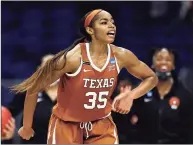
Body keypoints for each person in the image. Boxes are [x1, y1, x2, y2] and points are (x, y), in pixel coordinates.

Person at [11, 9, 158, 144]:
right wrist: (26, 127)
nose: (112, 26)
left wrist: (131, 96)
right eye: (104, 22)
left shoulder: (121, 55)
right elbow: (33, 89)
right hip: (67, 126)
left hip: (101, 124)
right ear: (90, 30)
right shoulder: (72, 58)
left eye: (112, 22)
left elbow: (151, 78)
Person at [132, 48, 193, 143]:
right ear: (152, 64)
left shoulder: (185, 96)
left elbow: (189, 130)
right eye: (159, 59)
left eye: (168, 60)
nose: (163, 63)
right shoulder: (139, 92)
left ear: (173, 65)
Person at [5, 54, 58, 144]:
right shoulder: (28, 91)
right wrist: (7, 135)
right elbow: (7, 114)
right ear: (39, 70)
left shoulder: (71, 94)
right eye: (46, 67)